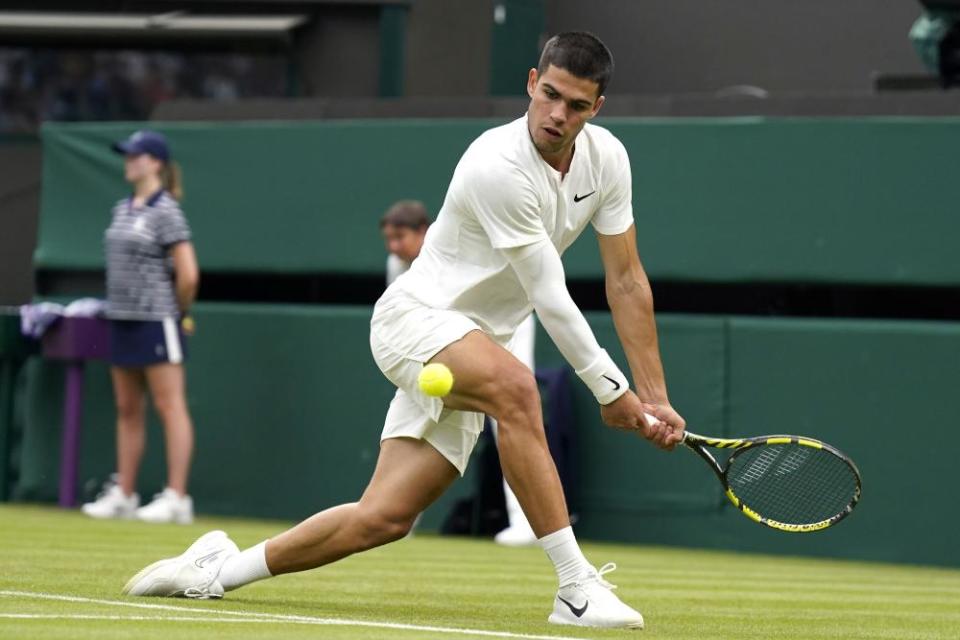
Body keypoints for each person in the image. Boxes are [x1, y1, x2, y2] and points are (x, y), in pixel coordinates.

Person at [122, 32, 685, 630]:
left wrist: (654, 397)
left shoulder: (609, 160)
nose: (556, 114)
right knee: (519, 391)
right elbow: (550, 296)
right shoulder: (496, 166)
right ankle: (575, 591)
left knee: (383, 518)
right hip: (414, 321)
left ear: (596, 108)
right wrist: (611, 392)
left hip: (474, 345)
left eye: (575, 105)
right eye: (549, 95)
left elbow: (626, 281)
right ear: (530, 82)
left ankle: (216, 570)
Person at [380, 200, 539, 546]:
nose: (394, 247)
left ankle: (527, 522)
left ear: (424, 231)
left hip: (502, 322)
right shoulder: (397, 264)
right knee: (419, 411)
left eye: (401, 237)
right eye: (388, 239)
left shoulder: (449, 243)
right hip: (444, 333)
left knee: (510, 413)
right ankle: (398, 516)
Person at [81, 130, 200, 525]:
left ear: (156, 163)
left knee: (170, 406)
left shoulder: (167, 210)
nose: (129, 161)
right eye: (127, 155)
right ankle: (125, 494)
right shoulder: (121, 208)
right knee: (127, 409)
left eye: (137, 155)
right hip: (121, 319)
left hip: (156, 321)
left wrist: (176, 312)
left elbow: (188, 274)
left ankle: (177, 498)